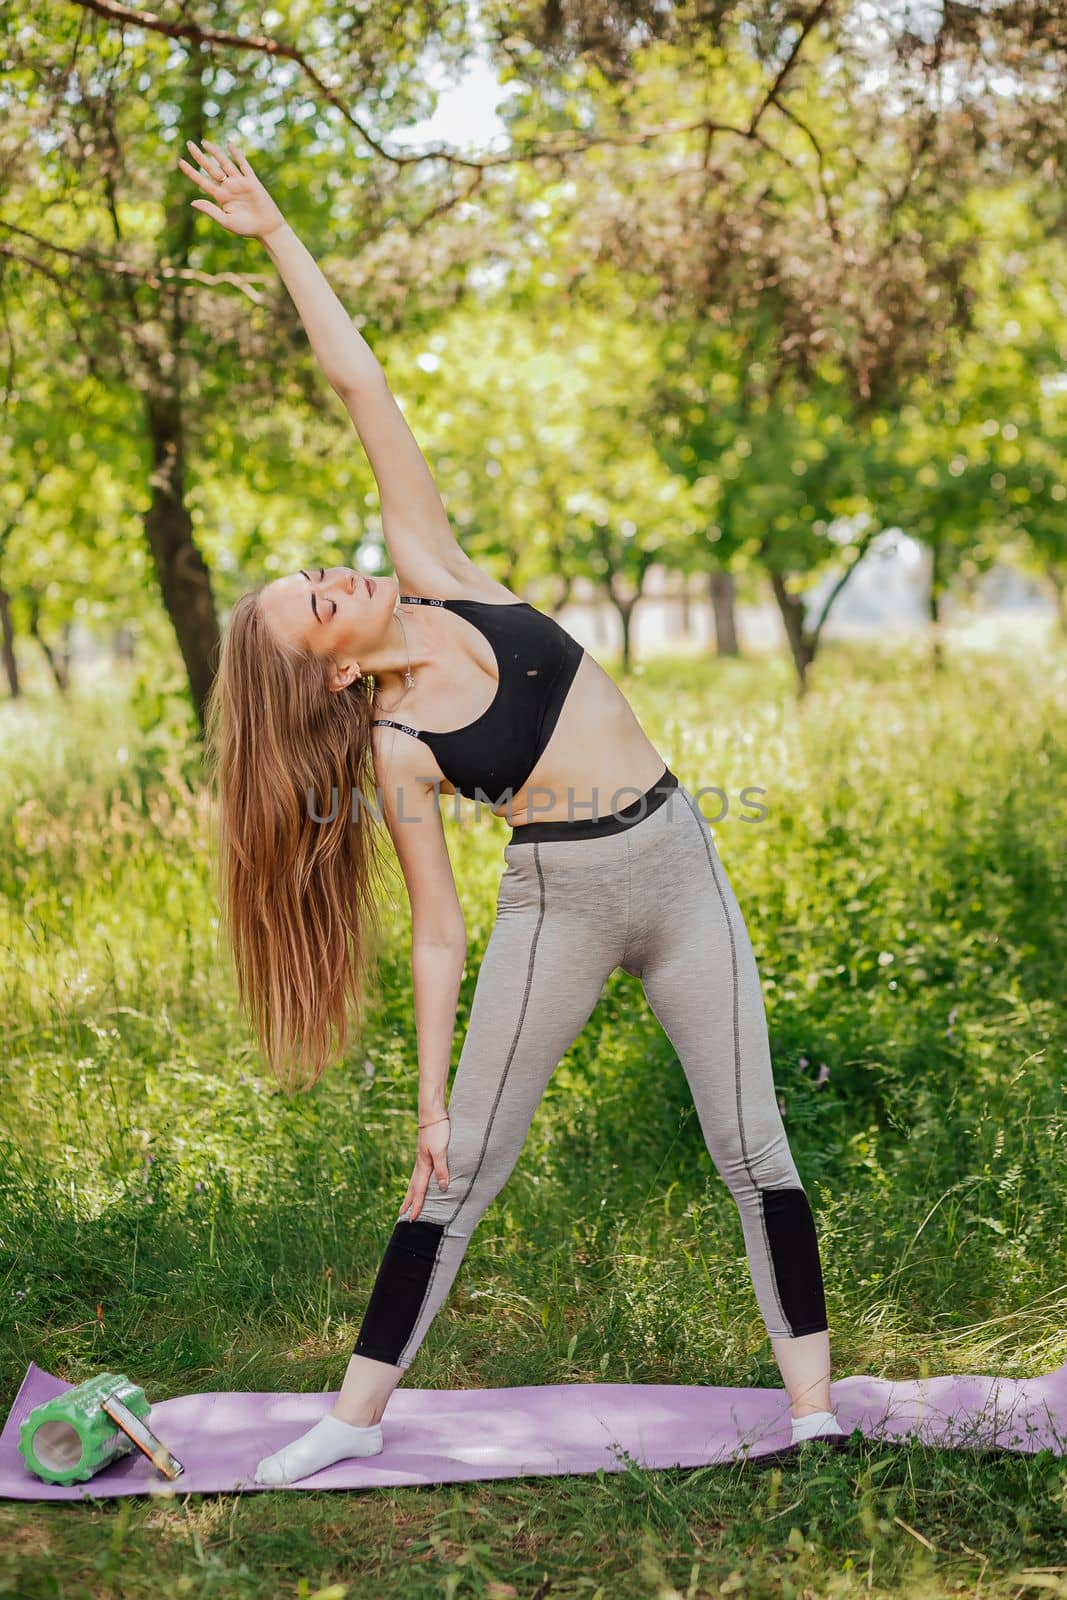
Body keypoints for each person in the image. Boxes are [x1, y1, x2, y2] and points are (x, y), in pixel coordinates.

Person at [181, 135, 848, 1484]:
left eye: (313, 570)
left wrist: (276, 234)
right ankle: (348, 1419)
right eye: (314, 602)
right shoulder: (399, 748)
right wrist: (428, 1097)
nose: (331, 571)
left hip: (678, 863)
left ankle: (817, 1417)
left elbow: (358, 382)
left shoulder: (438, 569)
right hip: (561, 905)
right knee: (463, 1166)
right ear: (335, 663)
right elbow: (437, 932)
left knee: (751, 1143)